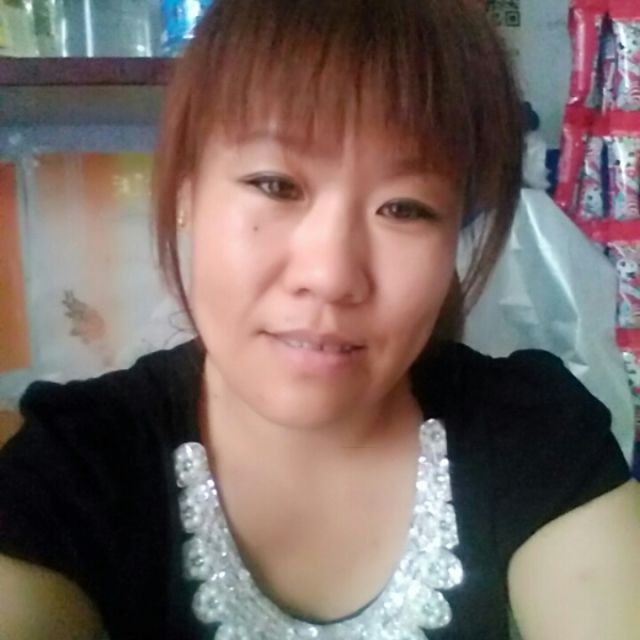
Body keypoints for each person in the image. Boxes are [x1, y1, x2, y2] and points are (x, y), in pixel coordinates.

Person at [1, 1, 639, 638]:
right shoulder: (76, 470)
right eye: (275, 185)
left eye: (406, 208)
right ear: (187, 191)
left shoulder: (535, 441)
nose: (331, 275)